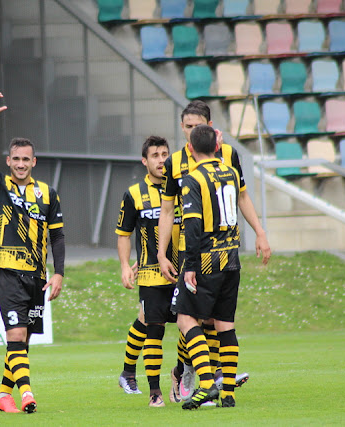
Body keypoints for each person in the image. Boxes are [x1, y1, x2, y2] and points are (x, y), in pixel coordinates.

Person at [157, 100, 270, 400]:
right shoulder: (175, 163)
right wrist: (161, 252)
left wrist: (260, 231)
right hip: (193, 251)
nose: (192, 130)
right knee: (202, 318)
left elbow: (243, 197)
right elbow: (167, 211)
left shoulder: (229, 157)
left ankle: (202, 375)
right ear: (182, 128)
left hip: (206, 253)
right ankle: (195, 373)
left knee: (197, 318)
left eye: (198, 126)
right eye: (188, 126)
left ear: (210, 126)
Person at [0, 92, 65, 414]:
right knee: (15, 333)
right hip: (8, 270)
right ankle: (27, 394)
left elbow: (57, 237)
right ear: (9, 161)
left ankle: (3, 395)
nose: (22, 164)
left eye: (27, 159)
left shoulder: (47, 194)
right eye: (16, 159)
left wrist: (58, 272)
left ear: (34, 162)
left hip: (37, 277)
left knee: (22, 341)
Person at [171, 124, 243, 409]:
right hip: (232, 259)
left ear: (190, 149)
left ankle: (205, 384)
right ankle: (228, 393)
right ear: (217, 147)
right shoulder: (232, 173)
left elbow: (193, 224)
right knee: (226, 325)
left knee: (186, 319)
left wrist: (189, 265)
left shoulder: (192, 178)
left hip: (205, 261)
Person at [115, 136, 183, 407]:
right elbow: (123, 234)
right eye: (155, 155)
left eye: (165, 153)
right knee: (153, 328)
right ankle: (155, 392)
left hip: (182, 271)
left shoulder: (181, 188)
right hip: (151, 274)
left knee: (189, 327)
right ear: (145, 161)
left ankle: (179, 375)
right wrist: (124, 265)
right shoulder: (133, 194)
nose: (161, 159)